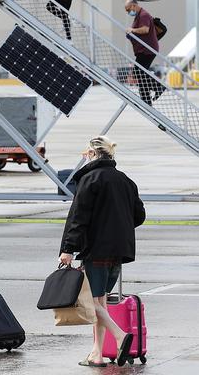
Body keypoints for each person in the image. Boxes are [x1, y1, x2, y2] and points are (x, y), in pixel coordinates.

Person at [59, 136, 146, 368]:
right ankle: (96, 354)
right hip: (119, 251)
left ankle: (119, 336)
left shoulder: (90, 179)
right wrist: (117, 229)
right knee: (100, 302)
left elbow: (78, 218)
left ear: (92, 154)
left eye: (86, 154)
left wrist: (68, 249)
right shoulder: (126, 181)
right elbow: (139, 216)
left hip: (96, 250)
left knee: (90, 301)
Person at [125, 0, 166, 105]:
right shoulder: (138, 16)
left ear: (134, 6)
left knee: (138, 73)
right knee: (140, 74)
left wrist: (132, 30)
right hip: (143, 50)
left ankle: (158, 87)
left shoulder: (144, 15)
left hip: (147, 50)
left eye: (128, 9)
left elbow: (145, 29)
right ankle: (146, 98)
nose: (128, 12)